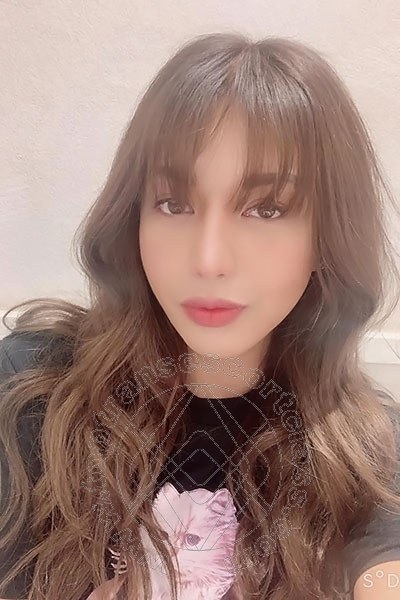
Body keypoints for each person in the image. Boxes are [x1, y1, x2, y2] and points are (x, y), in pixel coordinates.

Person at [1, 32, 400, 600]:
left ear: (327, 237)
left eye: (267, 209)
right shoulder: (30, 387)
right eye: (174, 203)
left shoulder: (367, 442)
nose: (209, 260)